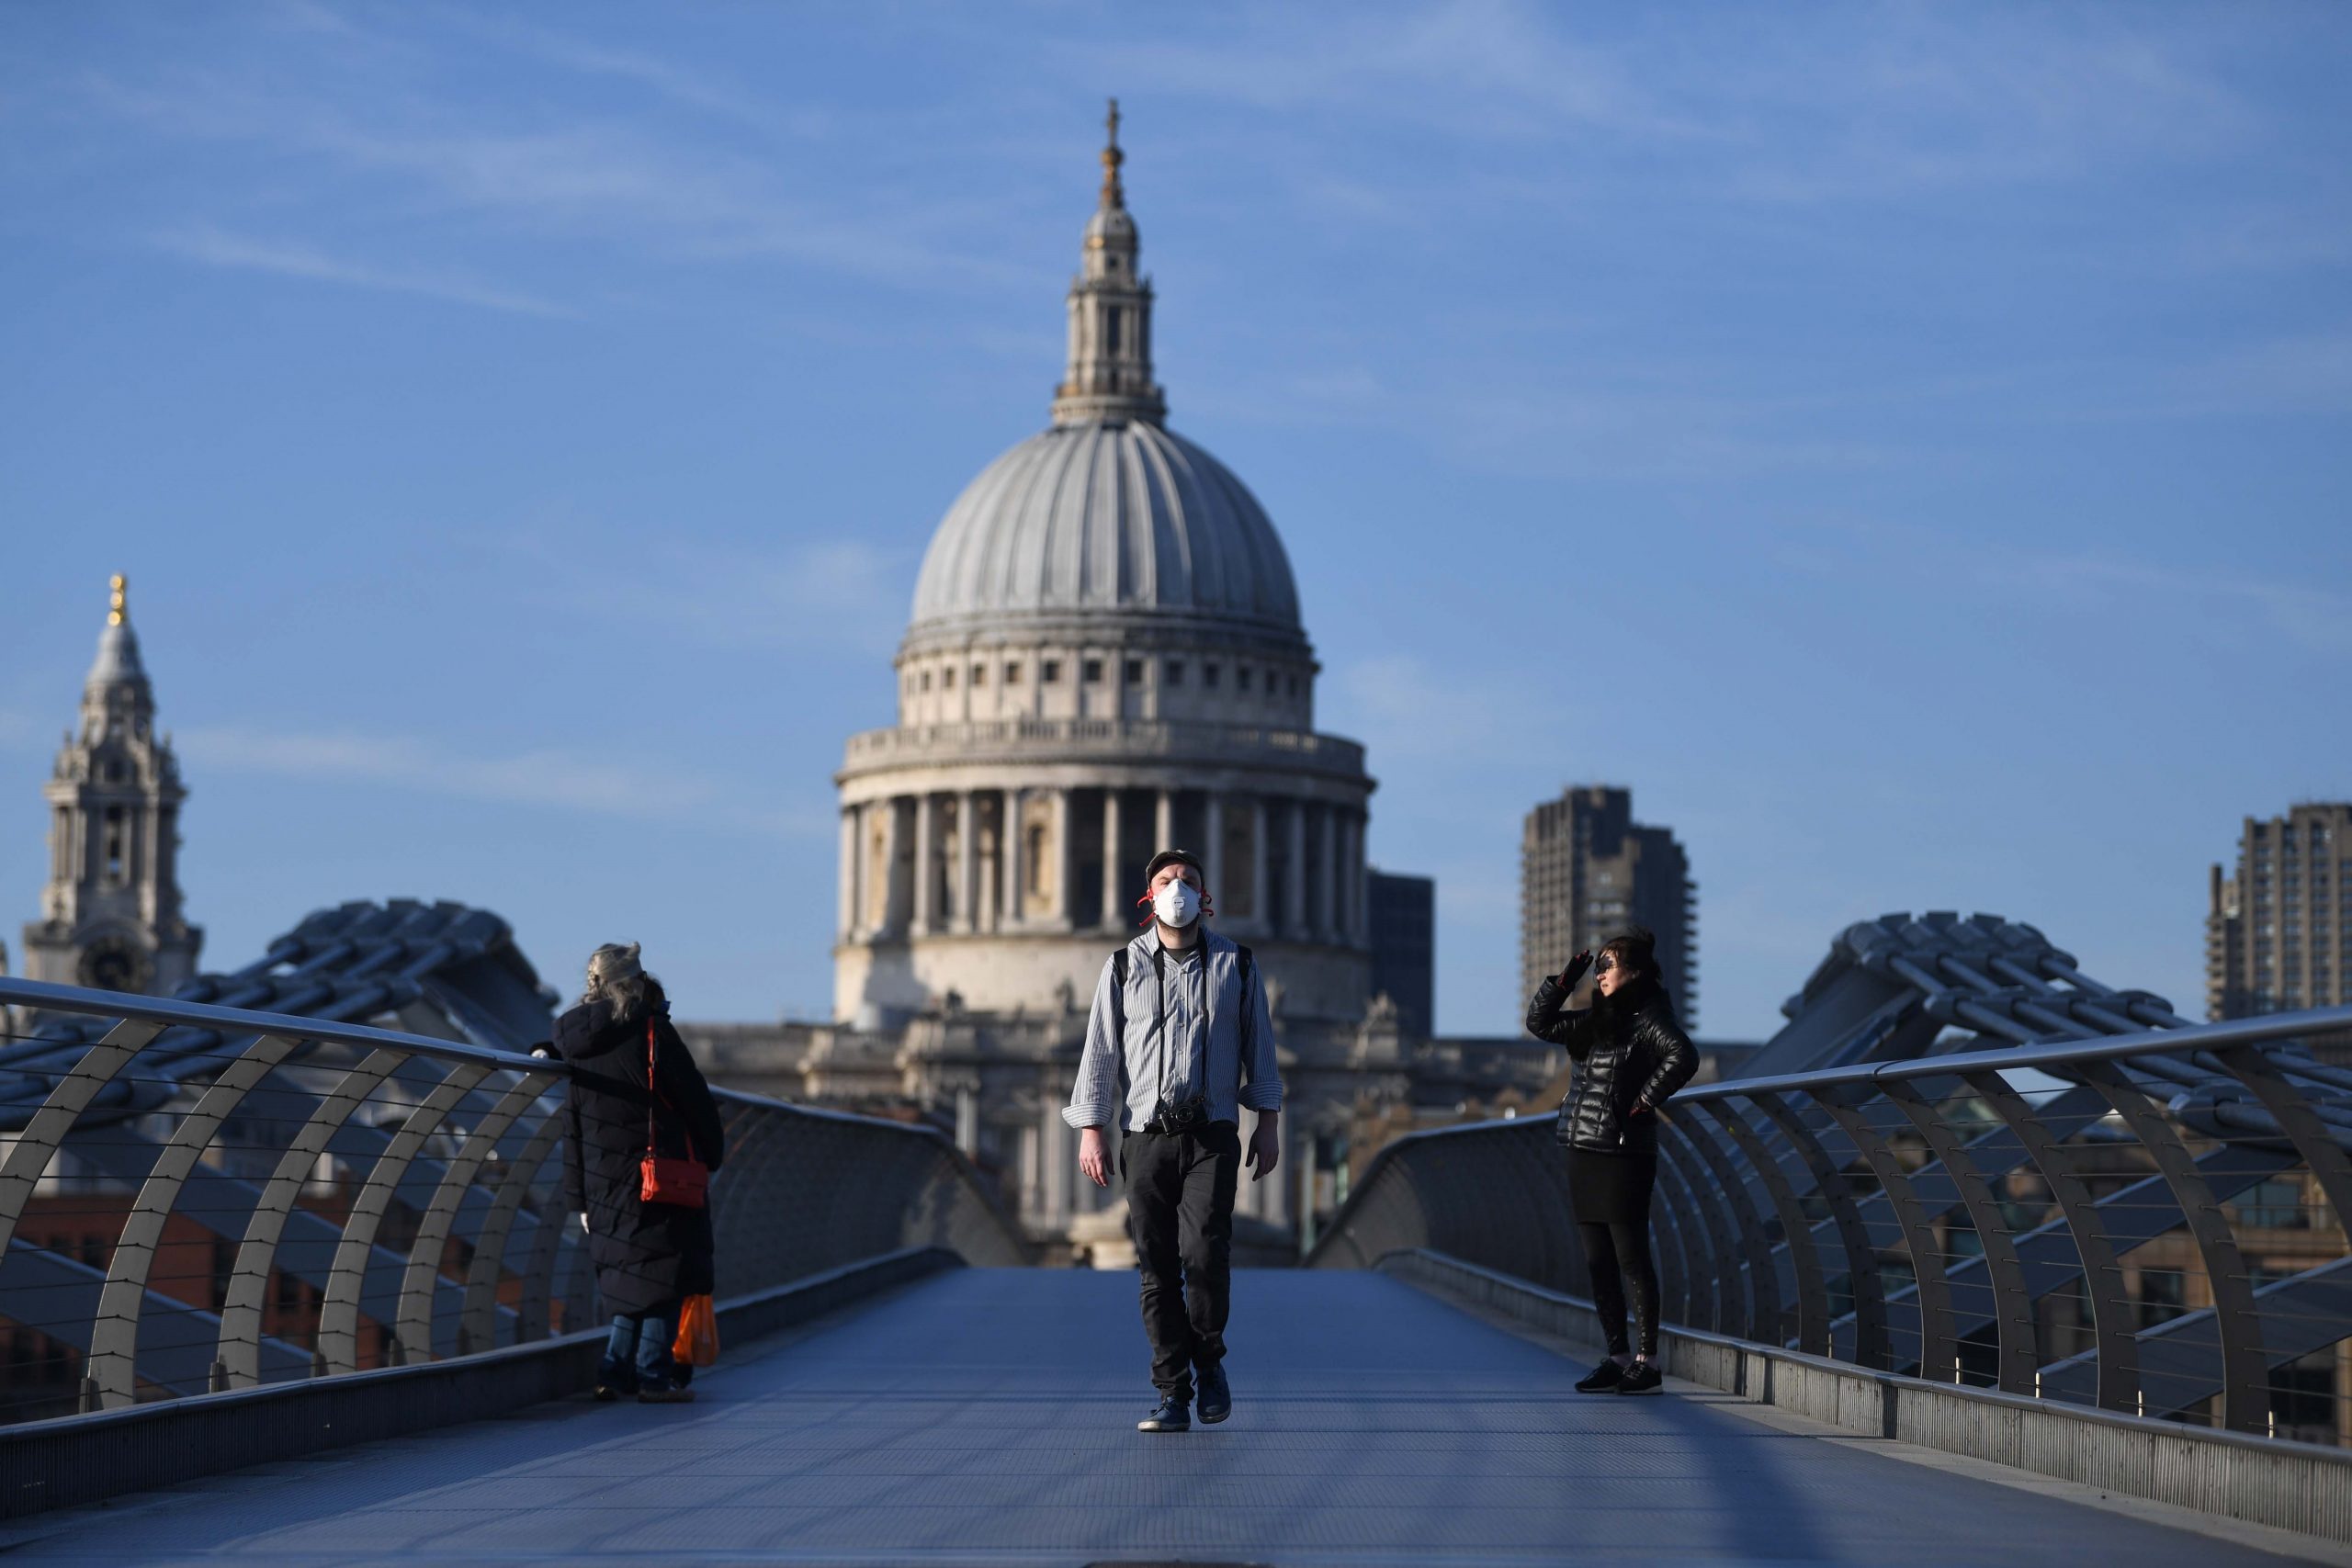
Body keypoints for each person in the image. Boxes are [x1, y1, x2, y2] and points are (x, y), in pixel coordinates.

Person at [1066, 848, 1283, 1433]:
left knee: (1205, 1252)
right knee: (1156, 1268)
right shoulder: (1119, 967)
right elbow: (1100, 1053)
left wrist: (1267, 1122)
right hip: (1145, 1135)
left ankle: (1209, 1362)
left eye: (1187, 880)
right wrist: (1091, 1128)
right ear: (1149, 896)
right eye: (1167, 880)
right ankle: (1172, 1392)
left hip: (1211, 1132)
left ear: (1204, 896)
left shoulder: (1237, 965)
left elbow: (1259, 1046)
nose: (1178, 888)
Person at [1524, 924, 1697, 1395]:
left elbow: (1683, 1055)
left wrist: (1645, 1101)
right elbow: (1540, 1025)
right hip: (1582, 1147)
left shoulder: (1649, 1018)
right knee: (1597, 1260)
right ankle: (1618, 1355)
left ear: (1636, 972)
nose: (1600, 974)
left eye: (1608, 965)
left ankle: (1649, 1362)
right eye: (1597, 966)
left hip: (1623, 1152)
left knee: (1631, 1258)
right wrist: (1563, 981)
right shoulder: (1599, 1021)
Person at [551, 942, 727, 1404]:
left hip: (601, 1181)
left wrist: (578, 1198)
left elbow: (570, 1126)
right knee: (664, 1275)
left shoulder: (573, 1044)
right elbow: (694, 1099)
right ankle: (653, 1375)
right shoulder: (650, 1033)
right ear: (635, 981)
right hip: (658, 1174)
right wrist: (712, 1152)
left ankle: (614, 1373)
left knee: (631, 1279)